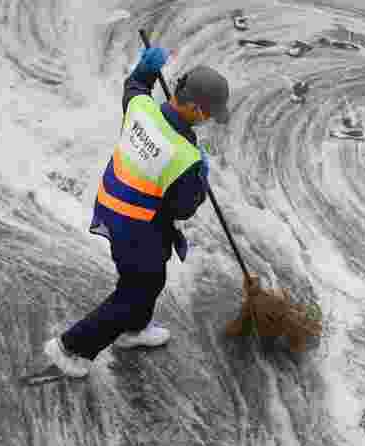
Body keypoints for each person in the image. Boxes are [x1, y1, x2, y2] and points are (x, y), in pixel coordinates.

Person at [43, 45, 231, 377]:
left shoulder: (142, 108)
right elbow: (183, 209)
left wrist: (145, 69)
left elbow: (135, 87)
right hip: (139, 228)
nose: (207, 120)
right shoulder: (185, 157)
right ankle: (70, 348)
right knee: (133, 293)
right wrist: (200, 178)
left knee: (149, 279)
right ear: (194, 108)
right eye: (208, 113)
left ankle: (134, 331)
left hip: (113, 209)